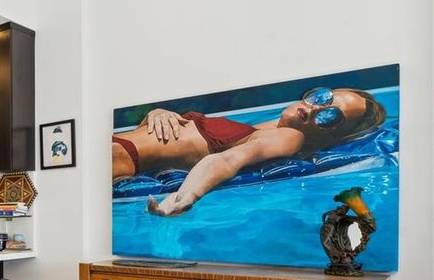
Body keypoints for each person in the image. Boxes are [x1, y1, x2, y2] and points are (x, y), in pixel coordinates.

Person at [110, 87, 387, 216]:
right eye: (323, 98)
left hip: (118, 158)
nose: (317, 108)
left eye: (331, 116)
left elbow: (226, 159)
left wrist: (187, 195)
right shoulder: (268, 126)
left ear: (331, 134)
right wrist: (156, 114)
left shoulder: (289, 137)